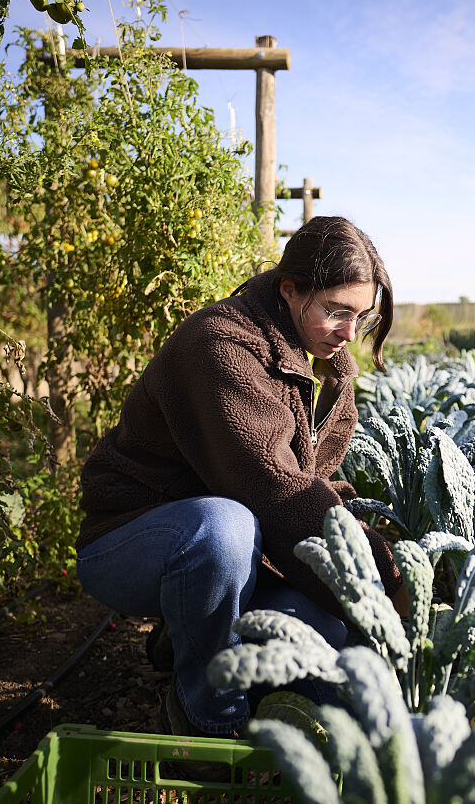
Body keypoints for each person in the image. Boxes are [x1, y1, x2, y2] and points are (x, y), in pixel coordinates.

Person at [75, 216, 404, 737]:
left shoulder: (327, 365)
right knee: (223, 527)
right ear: (290, 290)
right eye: (336, 312)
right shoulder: (221, 347)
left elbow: (316, 484)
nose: (349, 334)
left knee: (334, 658)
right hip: (133, 542)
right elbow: (281, 494)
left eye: (361, 317)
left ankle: (188, 632)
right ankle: (206, 712)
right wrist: (388, 584)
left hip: (248, 553)